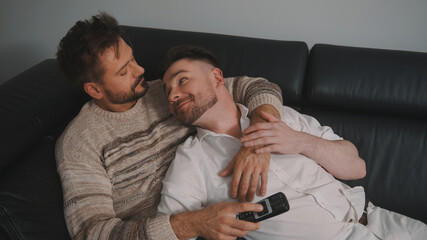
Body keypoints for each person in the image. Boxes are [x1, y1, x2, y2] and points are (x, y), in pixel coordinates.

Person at [55, 12, 288, 240]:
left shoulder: (170, 91)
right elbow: (92, 233)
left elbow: (257, 87)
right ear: (94, 89)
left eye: (133, 59)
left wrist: (257, 140)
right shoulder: (79, 142)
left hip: (222, 210)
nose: (140, 71)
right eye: (124, 71)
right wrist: (194, 224)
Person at [158, 45, 427, 240]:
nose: (173, 95)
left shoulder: (281, 115)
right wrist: (200, 223)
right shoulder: (190, 162)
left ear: (217, 77)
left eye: (182, 80)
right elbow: (169, 228)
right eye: (167, 91)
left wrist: (300, 141)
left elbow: (357, 168)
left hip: (381, 220)